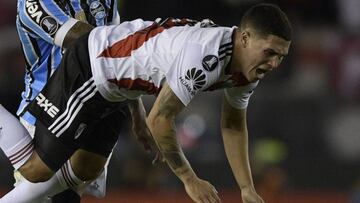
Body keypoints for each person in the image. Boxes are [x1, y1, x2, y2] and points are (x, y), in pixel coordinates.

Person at [1, 3, 292, 203]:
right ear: (244, 38)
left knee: (83, 171)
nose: (274, 63)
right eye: (269, 52)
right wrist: (189, 179)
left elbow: (232, 124)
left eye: (280, 56)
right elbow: (161, 119)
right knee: (36, 170)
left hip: (121, 90)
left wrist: (246, 188)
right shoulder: (206, 56)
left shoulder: (248, 70)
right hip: (93, 68)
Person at [1, 0, 127, 202]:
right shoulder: (34, 2)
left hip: (89, 112)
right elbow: (85, 43)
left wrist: (137, 110)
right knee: (43, 190)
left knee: (68, 195)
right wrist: (142, 46)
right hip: (44, 113)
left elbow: (121, 60)